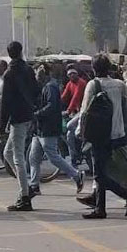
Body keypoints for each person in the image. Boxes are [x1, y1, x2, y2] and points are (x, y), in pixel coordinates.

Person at [78, 53, 127, 219]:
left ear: (93, 69)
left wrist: (80, 132)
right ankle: (100, 208)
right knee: (103, 171)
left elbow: (85, 112)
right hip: (117, 133)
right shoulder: (118, 84)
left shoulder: (93, 85)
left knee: (99, 175)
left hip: (100, 135)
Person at [28, 64, 84, 196]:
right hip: (41, 128)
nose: (36, 75)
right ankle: (34, 185)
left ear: (43, 73)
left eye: (37, 72)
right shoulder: (46, 87)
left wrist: (37, 114)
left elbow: (52, 106)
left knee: (53, 157)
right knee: (33, 157)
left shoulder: (50, 87)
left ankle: (76, 175)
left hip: (49, 127)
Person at [0, 41, 40, 212]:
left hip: (17, 117)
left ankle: (25, 197)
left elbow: (5, 103)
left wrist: (1, 126)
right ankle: (27, 187)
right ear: (21, 51)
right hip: (28, 115)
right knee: (7, 153)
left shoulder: (9, 73)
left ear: (9, 54)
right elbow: (37, 90)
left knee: (17, 158)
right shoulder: (28, 69)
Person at [62, 66, 88, 168]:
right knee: (69, 135)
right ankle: (73, 156)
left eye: (74, 73)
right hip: (76, 112)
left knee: (69, 126)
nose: (72, 75)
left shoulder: (81, 83)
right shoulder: (70, 84)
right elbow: (63, 97)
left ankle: (74, 158)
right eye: (70, 74)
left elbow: (76, 98)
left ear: (77, 74)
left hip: (84, 111)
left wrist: (68, 111)